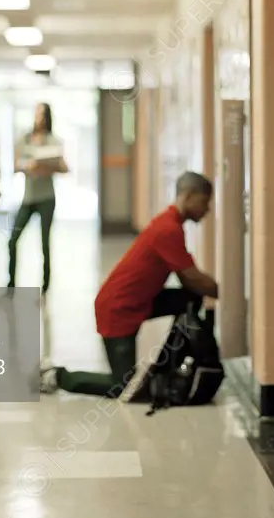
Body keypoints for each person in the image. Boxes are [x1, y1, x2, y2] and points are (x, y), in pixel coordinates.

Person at [39, 170, 218, 397]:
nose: (207, 210)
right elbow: (192, 277)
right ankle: (55, 375)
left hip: (140, 301)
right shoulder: (167, 229)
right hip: (118, 309)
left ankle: (168, 365)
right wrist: (227, 294)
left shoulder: (170, 223)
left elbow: (191, 282)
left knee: (189, 298)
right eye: (204, 202)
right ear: (189, 195)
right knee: (122, 385)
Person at [7, 102, 68, 299]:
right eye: (36, 113)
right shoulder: (24, 139)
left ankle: (46, 284)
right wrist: (29, 166)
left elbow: (64, 167)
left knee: (44, 243)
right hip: (28, 198)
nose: (38, 118)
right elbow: (15, 165)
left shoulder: (54, 141)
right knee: (12, 240)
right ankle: (11, 283)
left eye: (42, 114)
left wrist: (46, 167)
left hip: (47, 198)